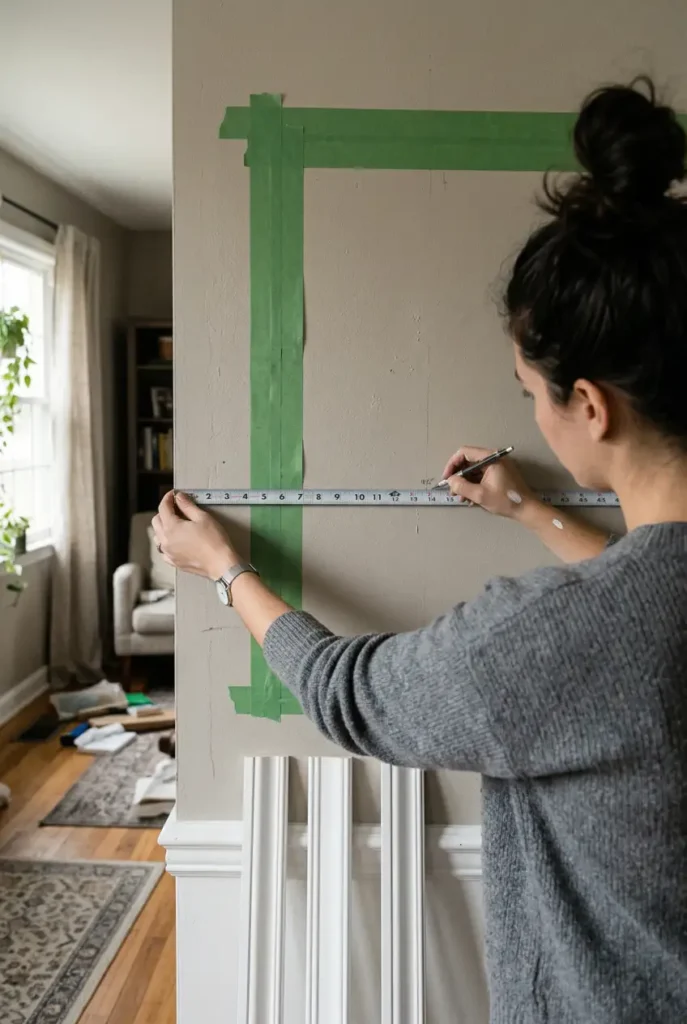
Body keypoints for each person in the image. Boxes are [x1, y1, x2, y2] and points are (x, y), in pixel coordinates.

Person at [153, 79, 687, 1023]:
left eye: (530, 391)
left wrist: (224, 571)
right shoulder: (627, 614)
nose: (529, 411)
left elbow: (347, 693)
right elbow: (645, 593)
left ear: (590, 405)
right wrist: (529, 510)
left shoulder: (550, 640)